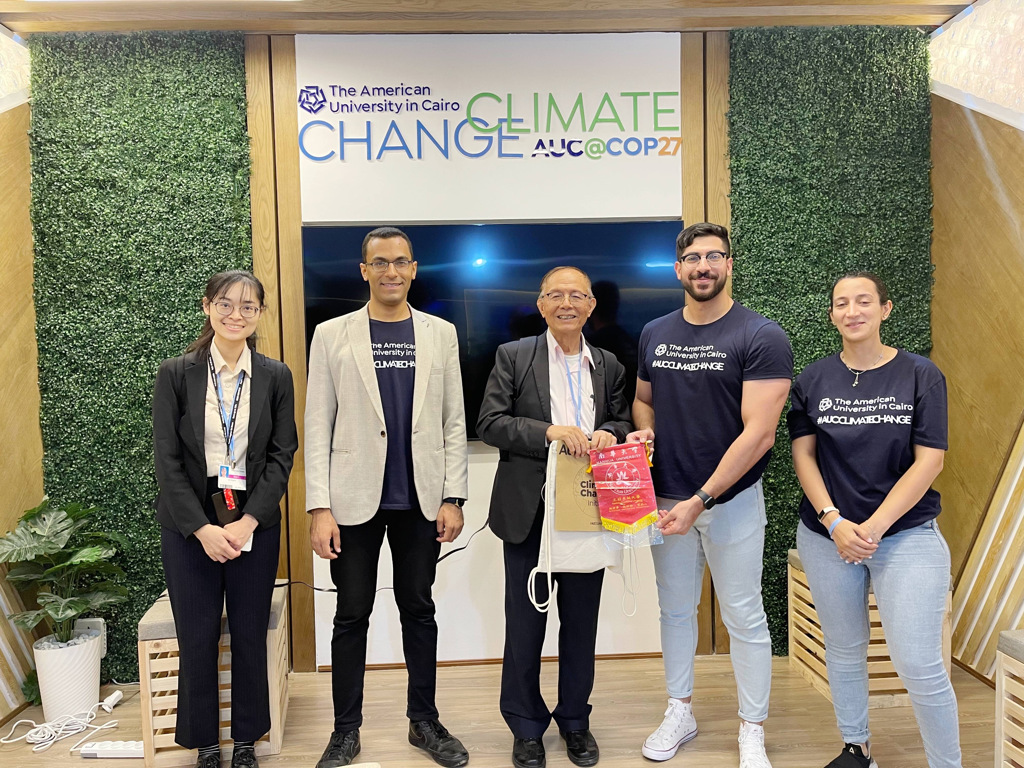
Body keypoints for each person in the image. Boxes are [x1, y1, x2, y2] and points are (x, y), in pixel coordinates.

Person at [627, 222, 792, 768]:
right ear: (678, 269)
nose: (703, 266)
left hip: (730, 501)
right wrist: (645, 431)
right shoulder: (655, 332)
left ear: (728, 265)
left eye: (714, 256)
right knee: (675, 611)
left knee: (743, 615)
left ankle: (752, 728)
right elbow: (644, 401)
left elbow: (760, 434)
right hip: (665, 500)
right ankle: (680, 710)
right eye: (693, 258)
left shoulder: (761, 335)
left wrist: (700, 498)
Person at [306, 226, 470, 768]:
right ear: (364, 271)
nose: (391, 271)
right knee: (351, 614)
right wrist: (319, 507)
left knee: (418, 610)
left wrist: (454, 497)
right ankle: (344, 731)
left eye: (400, 261)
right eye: (380, 262)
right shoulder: (332, 334)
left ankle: (424, 722)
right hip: (352, 501)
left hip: (420, 500)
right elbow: (317, 424)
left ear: (414, 269)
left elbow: (453, 420)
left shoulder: (441, 333)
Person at [788, 272, 961, 768]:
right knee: (844, 649)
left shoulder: (921, 375)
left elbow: (930, 461)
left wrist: (874, 527)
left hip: (906, 535)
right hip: (827, 536)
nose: (852, 311)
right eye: (841, 303)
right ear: (831, 315)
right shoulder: (812, 380)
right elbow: (804, 455)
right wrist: (834, 521)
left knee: (920, 663)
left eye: (863, 301)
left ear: (885, 309)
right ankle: (856, 748)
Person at [477, 266, 632, 768]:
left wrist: (611, 432)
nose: (567, 303)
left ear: (591, 306)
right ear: (541, 304)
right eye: (556, 295)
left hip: (588, 510)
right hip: (530, 513)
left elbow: (623, 419)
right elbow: (490, 423)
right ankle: (526, 727)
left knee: (581, 626)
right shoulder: (514, 355)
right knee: (525, 627)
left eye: (577, 295)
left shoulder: (608, 363)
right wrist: (548, 431)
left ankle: (575, 722)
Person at [153, 270, 298, 768]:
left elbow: (282, 455)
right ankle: (206, 744)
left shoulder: (275, 375)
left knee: (249, 633)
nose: (237, 314)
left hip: (253, 525)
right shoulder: (176, 373)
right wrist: (202, 529)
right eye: (226, 304)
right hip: (189, 529)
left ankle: (247, 742)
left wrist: (248, 521)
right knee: (197, 637)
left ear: (259, 314)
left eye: (248, 306)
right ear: (207, 307)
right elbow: (167, 460)